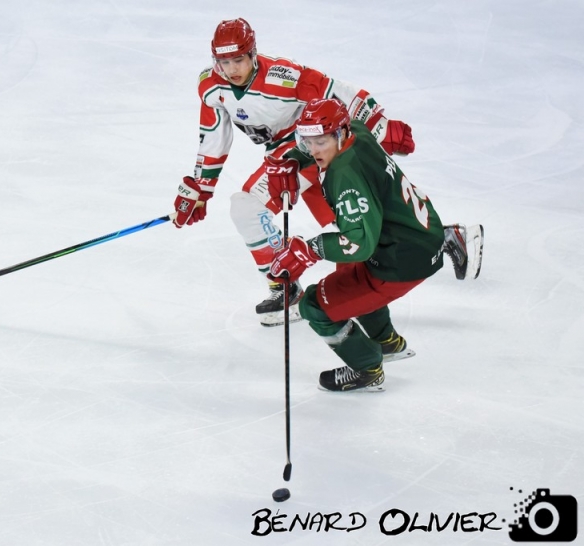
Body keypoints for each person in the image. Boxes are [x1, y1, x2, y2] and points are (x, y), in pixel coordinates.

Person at [171, 18, 482, 328]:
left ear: (253, 53)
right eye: (223, 62)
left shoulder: (282, 76)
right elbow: (213, 135)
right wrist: (200, 188)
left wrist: (379, 124)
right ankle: (444, 237)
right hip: (283, 156)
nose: (231, 70)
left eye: (238, 60)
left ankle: (285, 288)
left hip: (312, 147)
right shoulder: (211, 85)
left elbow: (335, 90)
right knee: (348, 220)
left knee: (250, 209)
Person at [267, 98, 445, 392]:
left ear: (339, 134)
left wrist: (310, 249)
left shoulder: (345, 176)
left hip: (402, 260)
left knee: (314, 305)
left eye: (320, 142)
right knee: (348, 273)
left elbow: (359, 245)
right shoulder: (357, 131)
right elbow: (318, 147)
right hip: (421, 233)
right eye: (307, 142)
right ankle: (387, 342)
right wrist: (294, 160)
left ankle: (368, 368)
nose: (314, 150)